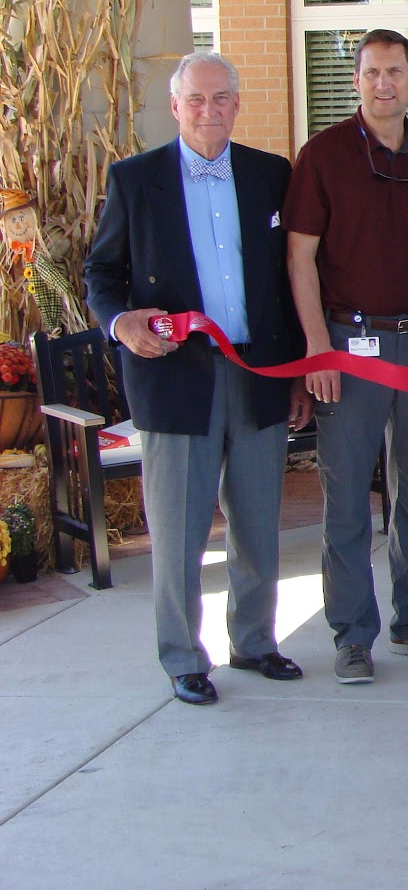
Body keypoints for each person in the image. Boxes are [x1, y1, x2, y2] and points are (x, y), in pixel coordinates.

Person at [85, 51, 312, 704]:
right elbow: (102, 273)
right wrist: (120, 322)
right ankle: (184, 656)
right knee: (181, 531)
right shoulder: (135, 180)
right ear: (176, 105)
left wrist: (296, 373)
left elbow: (283, 280)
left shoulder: (270, 174)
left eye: (221, 99)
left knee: (256, 522)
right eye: (197, 100)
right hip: (175, 379)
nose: (209, 111)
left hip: (257, 372)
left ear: (237, 105)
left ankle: (256, 642)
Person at [285, 28, 408, 684]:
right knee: (346, 498)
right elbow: (299, 256)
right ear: (356, 80)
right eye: (372, 72)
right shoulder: (324, 155)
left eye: (396, 71)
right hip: (347, 343)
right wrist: (316, 350)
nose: (384, 83)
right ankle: (351, 634)